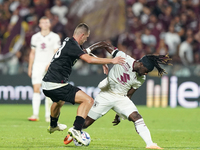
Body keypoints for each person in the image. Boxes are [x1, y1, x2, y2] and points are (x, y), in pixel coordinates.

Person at [64, 42, 172, 149]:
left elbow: (129, 94)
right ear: (141, 64)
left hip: (121, 98)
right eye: (146, 71)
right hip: (106, 95)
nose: (146, 74)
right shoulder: (124, 58)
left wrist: (120, 114)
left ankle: (150, 144)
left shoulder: (141, 78)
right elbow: (104, 44)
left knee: (137, 117)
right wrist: (88, 50)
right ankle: (72, 134)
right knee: (86, 123)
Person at [41, 23, 125, 146]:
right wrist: (111, 60)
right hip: (56, 84)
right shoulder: (73, 45)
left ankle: (53, 125)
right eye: (86, 37)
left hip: (47, 84)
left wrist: (102, 63)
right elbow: (88, 59)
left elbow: (86, 52)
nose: (86, 39)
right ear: (82, 35)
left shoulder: (69, 42)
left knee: (59, 101)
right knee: (88, 101)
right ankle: (76, 129)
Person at [28, 16, 61, 122]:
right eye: (43, 22)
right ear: (39, 24)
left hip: (49, 65)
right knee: (36, 89)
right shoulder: (35, 37)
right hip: (37, 65)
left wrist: (52, 64)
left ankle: (48, 115)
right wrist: (30, 67)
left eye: (47, 22)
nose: (45, 24)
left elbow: (57, 52)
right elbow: (32, 53)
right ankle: (35, 114)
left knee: (48, 91)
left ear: (49, 24)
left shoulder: (55, 37)